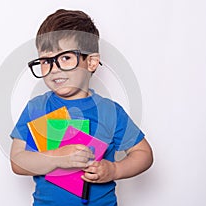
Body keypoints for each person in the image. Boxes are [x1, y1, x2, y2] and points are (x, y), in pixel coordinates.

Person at [10, 9, 153, 206]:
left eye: (65, 58)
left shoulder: (110, 111)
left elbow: (144, 154)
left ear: (92, 62)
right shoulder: (37, 107)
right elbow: (17, 161)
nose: (54, 69)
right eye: (45, 61)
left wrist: (114, 170)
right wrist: (56, 157)